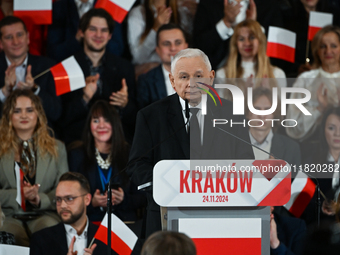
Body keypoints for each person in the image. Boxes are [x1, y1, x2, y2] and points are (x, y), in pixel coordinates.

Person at [127, 48, 254, 237]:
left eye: (198, 76)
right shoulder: (150, 116)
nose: (191, 83)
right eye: (184, 76)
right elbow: (137, 166)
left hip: (218, 217)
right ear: (172, 81)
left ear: (211, 78)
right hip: (167, 217)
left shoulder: (231, 114)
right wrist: (167, 186)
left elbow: (245, 163)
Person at [0, 89, 68, 246]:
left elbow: (64, 190)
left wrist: (40, 199)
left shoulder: (57, 148)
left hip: (44, 214)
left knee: (47, 233)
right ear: (9, 116)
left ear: (38, 114)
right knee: (11, 236)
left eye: (29, 110)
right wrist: (18, 195)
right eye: (17, 111)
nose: (24, 115)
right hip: (7, 215)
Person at [59, 8, 137, 145]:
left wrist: (125, 104)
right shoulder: (65, 68)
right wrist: (84, 98)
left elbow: (137, 117)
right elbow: (61, 118)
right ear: (81, 32)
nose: (98, 35)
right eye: (93, 29)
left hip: (117, 140)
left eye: (104, 30)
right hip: (79, 141)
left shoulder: (125, 67)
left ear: (110, 35)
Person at [68, 100, 146, 223]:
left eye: (107, 120)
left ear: (115, 123)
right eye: (96, 120)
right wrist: (91, 202)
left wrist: (124, 199)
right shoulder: (77, 154)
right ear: (89, 125)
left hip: (124, 222)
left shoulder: (130, 153)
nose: (101, 126)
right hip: (89, 223)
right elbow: (69, 198)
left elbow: (143, 197)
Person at [0, 16, 61, 130]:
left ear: (28, 38)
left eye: (19, 35)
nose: (16, 41)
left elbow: (56, 112)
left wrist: (35, 89)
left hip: (40, 135)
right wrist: (5, 92)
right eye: (9, 37)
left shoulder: (48, 66)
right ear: (1, 43)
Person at [30, 172, 112, 255]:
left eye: (69, 198)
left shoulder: (108, 238)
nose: (63, 205)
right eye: (58, 199)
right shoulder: (41, 239)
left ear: (87, 199)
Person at [287, 25, 340, 141]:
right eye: (323, 46)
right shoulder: (305, 79)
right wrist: (319, 109)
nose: (328, 51)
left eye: (334, 46)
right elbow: (292, 126)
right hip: (313, 148)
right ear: (317, 50)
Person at [216, 19, 286, 96]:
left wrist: (269, 95)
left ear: (260, 41)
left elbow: (281, 107)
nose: (247, 43)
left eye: (252, 37)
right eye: (241, 39)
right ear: (235, 44)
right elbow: (221, 108)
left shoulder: (277, 74)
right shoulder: (223, 75)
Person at [47, 0, 124, 63]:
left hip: (106, 69)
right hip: (71, 69)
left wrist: (98, 40)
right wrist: (77, 38)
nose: (98, 34)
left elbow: (117, 49)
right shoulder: (59, 7)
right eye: (93, 29)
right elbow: (54, 53)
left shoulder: (111, 4)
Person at [137, 23, 188, 109]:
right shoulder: (146, 81)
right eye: (166, 44)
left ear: (186, 47)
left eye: (178, 43)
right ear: (157, 50)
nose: (173, 48)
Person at [246, 87, 301, 166]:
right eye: (256, 109)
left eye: (268, 109)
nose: (262, 115)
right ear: (247, 113)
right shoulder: (232, 146)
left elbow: (295, 178)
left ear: (274, 114)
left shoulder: (291, 148)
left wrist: (278, 175)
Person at [127, 0, 181, 66]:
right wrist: (156, 28)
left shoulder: (181, 12)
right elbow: (138, 58)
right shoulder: (138, 13)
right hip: (149, 71)